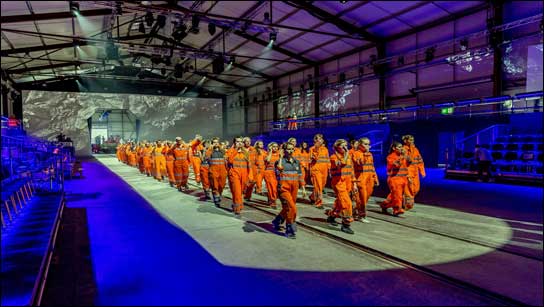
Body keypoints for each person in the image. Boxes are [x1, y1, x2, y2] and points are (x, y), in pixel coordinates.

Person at [271, 142, 306, 239]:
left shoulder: (296, 162)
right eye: (288, 149)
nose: (290, 151)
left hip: (294, 189)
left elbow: (300, 176)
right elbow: (279, 169)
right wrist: (281, 157)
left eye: (292, 149)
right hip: (283, 189)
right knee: (291, 208)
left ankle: (277, 221)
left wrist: (303, 188)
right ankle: (289, 229)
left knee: (289, 207)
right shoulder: (279, 161)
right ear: (284, 150)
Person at [326, 139, 357, 234]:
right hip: (338, 184)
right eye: (342, 146)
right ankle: (346, 224)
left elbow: (351, 171)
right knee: (346, 203)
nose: (345, 148)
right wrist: (347, 153)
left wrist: (354, 183)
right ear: (336, 147)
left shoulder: (348, 157)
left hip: (347, 183)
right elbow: (341, 164)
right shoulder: (333, 157)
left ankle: (332, 216)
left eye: (346, 145)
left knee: (340, 203)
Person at [352, 137, 378, 223]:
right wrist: (366, 153)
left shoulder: (370, 154)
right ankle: (361, 216)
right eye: (365, 144)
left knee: (366, 198)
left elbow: (372, 167)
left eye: (368, 144)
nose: (367, 146)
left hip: (369, 179)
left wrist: (375, 178)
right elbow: (360, 163)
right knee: (362, 199)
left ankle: (354, 211)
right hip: (360, 179)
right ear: (360, 145)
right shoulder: (356, 153)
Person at [381, 141, 410, 216]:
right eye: (399, 147)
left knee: (393, 196)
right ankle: (397, 209)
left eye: (401, 147)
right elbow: (396, 165)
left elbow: (409, 162)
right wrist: (402, 157)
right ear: (394, 148)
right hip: (395, 179)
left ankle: (384, 205)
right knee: (398, 195)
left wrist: (406, 155)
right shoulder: (390, 157)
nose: (401, 149)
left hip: (403, 178)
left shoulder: (402, 155)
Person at [226, 137, 252, 216]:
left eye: (241, 142)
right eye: (237, 142)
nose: (240, 143)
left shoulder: (246, 152)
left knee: (240, 192)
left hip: (244, 175)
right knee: (237, 191)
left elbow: (249, 165)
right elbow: (230, 160)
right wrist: (235, 150)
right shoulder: (230, 151)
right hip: (234, 174)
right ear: (234, 143)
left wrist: (250, 176)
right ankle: (237, 208)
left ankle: (235, 204)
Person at [402, 135, 426, 209]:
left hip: (415, 173)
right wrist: (407, 174)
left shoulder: (416, 150)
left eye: (413, 140)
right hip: (408, 172)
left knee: (416, 189)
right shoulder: (403, 150)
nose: (412, 141)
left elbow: (420, 161)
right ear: (405, 141)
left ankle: (406, 202)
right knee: (409, 189)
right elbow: (403, 163)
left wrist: (422, 171)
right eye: (410, 140)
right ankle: (407, 204)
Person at [309, 134, 330, 209]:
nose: (319, 140)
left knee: (322, 186)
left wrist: (329, 169)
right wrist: (316, 148)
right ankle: (319, 202)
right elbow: (315, 158)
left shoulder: (325, 149)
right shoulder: (312, 149)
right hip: (316, 170)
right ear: (314, 141)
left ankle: (312, 196)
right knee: (318, 187)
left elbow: (327, 159)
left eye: (321, 139)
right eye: (317, 139)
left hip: (324, 170)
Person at [206, 137, 228, 207]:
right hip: (213, 170)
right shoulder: (210, 151)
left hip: (222, 171)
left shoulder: (222, 151)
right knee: (215, 185)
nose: (216, 143)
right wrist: (210, 149)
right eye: (214, 142)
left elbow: (227, 159)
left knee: (222, 185)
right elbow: (206, 157)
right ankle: (216, 198)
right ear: (212, 144)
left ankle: (219, 194)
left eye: (217, 142)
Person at [264, 142, 280, 208]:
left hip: (277, 173)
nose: (275, 148)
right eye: (273, 146)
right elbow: (268, 160)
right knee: (271, 188)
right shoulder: (266, 154)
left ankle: (271, 198)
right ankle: (273, 202)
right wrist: (270, 151)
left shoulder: (279, 154)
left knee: (276, 189)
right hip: (269, 172)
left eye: (276, 146)